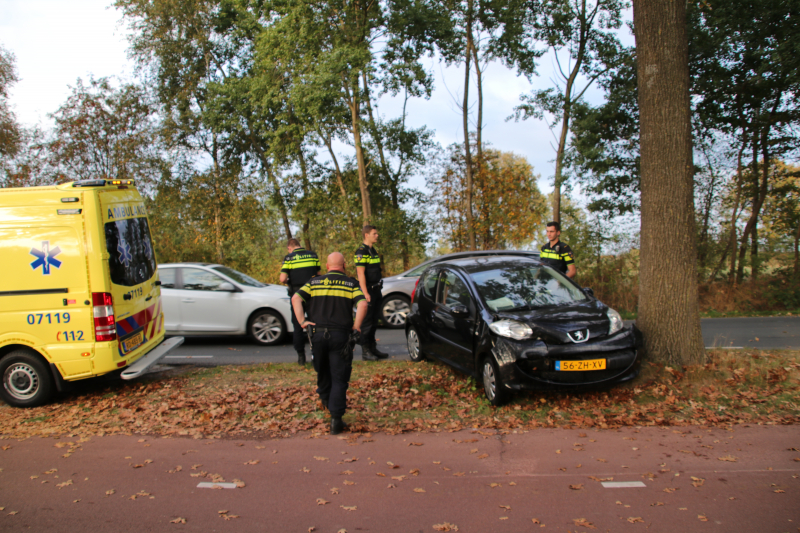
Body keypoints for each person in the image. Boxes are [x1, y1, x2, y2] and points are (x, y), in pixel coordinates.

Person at [291, 252, 368, 435]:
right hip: (340, 337)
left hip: (317, 335)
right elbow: (363, 304)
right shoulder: (350, 283)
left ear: (327, 266)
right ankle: (336, 419)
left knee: (322, 370)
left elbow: (296, 298)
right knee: (339, 376)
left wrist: (302, 322)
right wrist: (356, 327)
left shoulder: (314, 282)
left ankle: (325, 400)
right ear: (344, 265)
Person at [280, 238, 321, 365]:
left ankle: (301, 357)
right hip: (313, 294)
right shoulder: (313, 255)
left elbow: (282, 279)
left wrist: (290, 280)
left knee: (298, 325)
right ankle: (317, 354)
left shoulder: (289, 258)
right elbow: (319, 274)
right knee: (315, 323)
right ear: (300, 245)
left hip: (297, 295)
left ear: (289, 248)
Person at [354, 225, 389, 361]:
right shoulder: (361, 252)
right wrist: (365, 293)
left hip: (376, 290)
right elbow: (360, 274)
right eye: (374, 234)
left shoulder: (373, 250)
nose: (377, 235)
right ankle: (365, 351)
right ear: (366, 235)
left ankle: (373, 348)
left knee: (374, 321)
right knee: (367, 323)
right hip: (368, 291)